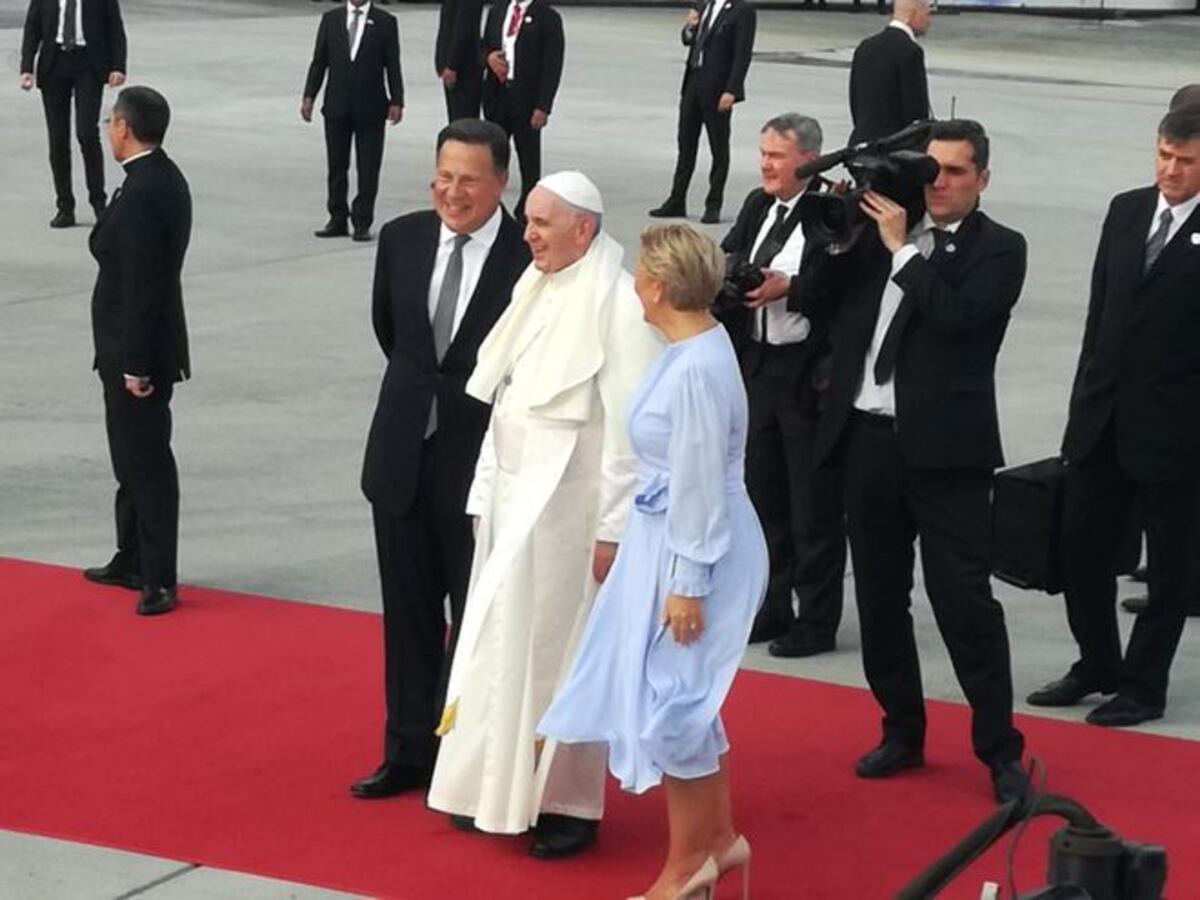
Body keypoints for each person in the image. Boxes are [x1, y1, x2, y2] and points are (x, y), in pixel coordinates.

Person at [790, 119, 1027, 803]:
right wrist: (835, 230)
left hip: (948, 454)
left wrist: (903, 253)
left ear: (983, 178)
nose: (939, 184)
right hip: (867, 440)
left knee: (964, 601)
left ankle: (999, 748)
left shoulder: (1000, 249)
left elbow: (960, 319)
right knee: (881, 597)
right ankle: (902, 728)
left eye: (954, 172)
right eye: (931, 170)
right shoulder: (873, 237)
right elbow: (812, 301)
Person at [427, 172, 663, 857]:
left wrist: (614, 529)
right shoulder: (535, 283)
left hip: (570, 518)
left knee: (562, 658)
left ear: (583, 229)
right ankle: (488, 790)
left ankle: (566, 804)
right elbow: (505, 404)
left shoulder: (617, 305)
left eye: (541, 223)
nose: (527, 233)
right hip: (510, 508)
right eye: (528, 220)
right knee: (498, 646)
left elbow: (631, 430)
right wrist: (480, 496)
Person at [539, 223, 766, 900]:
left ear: (658, 286)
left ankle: (687, 867)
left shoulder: (695, 366)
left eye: (641, 271)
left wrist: (688, 585)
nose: (633, 281)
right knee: (679, 698)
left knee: (676, 705)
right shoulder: (690, 346)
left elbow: (698, 480)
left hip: (697, 547)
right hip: (664, 537)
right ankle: (719, 845)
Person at [351, 120, 530, 800]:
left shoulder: (528, 255)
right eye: (443, 177)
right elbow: (394, 335)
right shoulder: (402, 238)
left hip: (482, 469)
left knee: (481, 625)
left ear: (501, 183)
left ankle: (468, 765)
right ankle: (406, 753)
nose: (452, 193)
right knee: (408, 616)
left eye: (468, 180)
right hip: (401, 456)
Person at [1027, 108, 1200, 727]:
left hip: (1176, 433)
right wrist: (1081, 410)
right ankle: (1096, 661)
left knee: (1171, 569)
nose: (1170, 170)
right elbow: (1099, 319)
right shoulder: (1126, 210)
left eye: (1185, 161)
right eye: (1163, 155)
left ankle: (1143, 684)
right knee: (1080, 549)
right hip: (1102, 421)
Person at [715, 113, 847, 651]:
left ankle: (816, 618)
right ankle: (772, 603)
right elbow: (731, 256)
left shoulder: (832, 212)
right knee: (762, 490)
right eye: (763, 153)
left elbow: (840, 282)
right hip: (759, 365)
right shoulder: (758, 205)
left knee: (811, 500)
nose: (765, 164)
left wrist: (790, 287)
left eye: (776, 155)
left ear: (808, 160)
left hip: (806, 372)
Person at [81, 86, 191, 618]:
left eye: (110, 124)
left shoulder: (148, 190)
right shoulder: (148, 178)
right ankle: (132, 556)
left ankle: (159, 577)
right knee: (129, 457)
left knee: (147, 463)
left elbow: (147, 287)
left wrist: (136, 366)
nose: (108, 132)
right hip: (123, 348)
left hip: (137, 355)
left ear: (124, 128)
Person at [301, 0, 404, 243]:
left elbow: (393, 64)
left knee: (368, 167)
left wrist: (397, 100)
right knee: (337, 166)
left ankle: (362, 220)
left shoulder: (385, 22)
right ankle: (337, 217)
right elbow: (319, 62)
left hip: (371, 107)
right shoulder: (331, 20)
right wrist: (309, 96)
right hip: (337, 106)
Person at [19, 0, 127, 228]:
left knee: (86, 133)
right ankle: (65, 207)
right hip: (54, 63)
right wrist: (26, 67)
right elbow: (32, 28)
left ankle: (99, 203)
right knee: (58, 140)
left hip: (89, 64)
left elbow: (115, 28)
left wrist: (118, 66)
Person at [649, 0, 756, 224]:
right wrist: (689, 27)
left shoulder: (742, 10)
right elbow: (689, 40)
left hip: (718, 89)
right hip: (693, 83)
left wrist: (732, 90)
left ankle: (713, 203)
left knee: (719, 147)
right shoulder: (703, 5)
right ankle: (677, 199)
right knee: (685, 144)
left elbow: (742, 54)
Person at [480, 0, 564, 221]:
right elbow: (483, 46)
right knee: (493, 156)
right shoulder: (498, 11)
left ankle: (527, 211)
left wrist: (543, 106)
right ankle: (489, 207)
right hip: (498, 97)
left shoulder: (547, 17)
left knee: (529, 160)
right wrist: (488, 58)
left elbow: (552, 66)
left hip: (527, 100)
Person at [848, 0, 930, 146]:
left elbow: (855, 101)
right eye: (927, 14)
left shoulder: (865, 46)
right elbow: (916, 113)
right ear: (913, 14)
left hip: (861, 145)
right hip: (894, 150)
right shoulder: (910, 52)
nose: (929, 21)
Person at [436, 0, 485, 121]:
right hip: (456, 64)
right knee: (457, 118)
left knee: (463, 120)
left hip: (463, 67)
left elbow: (464, 28)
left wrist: (452, 65)